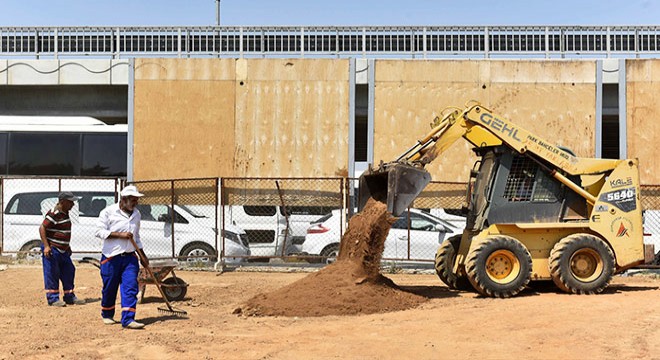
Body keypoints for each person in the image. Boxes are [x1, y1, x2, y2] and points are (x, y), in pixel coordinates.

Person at [95, 185, 150, 330]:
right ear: (124, 199)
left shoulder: (136, 214)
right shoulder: (108, 212)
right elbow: (99, 231)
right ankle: (107, 313)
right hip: (111, 257)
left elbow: (136, 237)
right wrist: (120, 235)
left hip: (130, 257)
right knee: (110, 287)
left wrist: (143, 256)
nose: (136, 203)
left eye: (137, 200)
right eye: (133, 200)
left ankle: (128, 318)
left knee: (130, 286)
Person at [40, 191, 86, 307]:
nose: (73, 205)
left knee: (69, 270)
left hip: (63, 249)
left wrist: (67, 246)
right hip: (53, 248)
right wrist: (46, 246)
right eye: (70, 202)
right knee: (52, 272)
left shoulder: (65, 213)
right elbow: (42, 228)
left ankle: (69, 296)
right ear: (62, 202)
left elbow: (62, 231)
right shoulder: (54, 213)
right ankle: (53, 298)